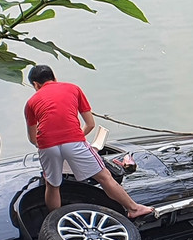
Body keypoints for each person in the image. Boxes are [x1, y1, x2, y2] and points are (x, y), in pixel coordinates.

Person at [24, 65, 153, 218]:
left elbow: (33, 139)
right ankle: (134, 209)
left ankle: (55, 220)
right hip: (74, 141)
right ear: (55, 78)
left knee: (52, 184)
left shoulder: (31, 102)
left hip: (47, 145)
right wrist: (75, 138)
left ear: (35, 85)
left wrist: (50, 145)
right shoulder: (73, 88)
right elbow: (90, 124)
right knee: (104, 177)